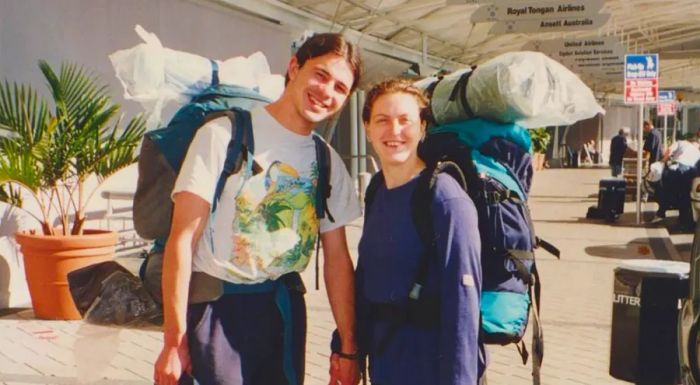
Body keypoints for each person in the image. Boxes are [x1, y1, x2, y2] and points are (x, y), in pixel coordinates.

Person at [153, 33, 363, 385]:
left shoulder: (325, 159)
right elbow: (182, 241)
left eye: (340, 88)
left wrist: (348, 346)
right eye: (321, 75)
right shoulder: (223, 135)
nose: (327, 92)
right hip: (218, 309)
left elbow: (338, 259)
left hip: (283, 312)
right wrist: (173, 341)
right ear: (294, 67)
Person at [346, 79, 483, 385]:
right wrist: (346, 348)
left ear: (422, 128)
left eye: (404, 120)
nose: (394, 131)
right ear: (367, 128)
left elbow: (464, 304)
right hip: (385, 360)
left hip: (429, 366)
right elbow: (366, 275)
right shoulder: (377, 189)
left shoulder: (446, 198)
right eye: (382, 120)